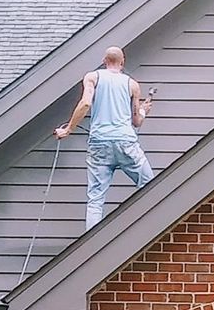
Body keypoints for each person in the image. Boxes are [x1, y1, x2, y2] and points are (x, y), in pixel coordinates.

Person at [55, 46, 156, 230]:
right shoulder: (132, 85)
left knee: (95, 199)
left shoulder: (93, 77)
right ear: (122, 62)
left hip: (99, 144)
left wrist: (68, 129)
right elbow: (136, 121)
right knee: (150, 185)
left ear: (104, 60)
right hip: (126, 143)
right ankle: (152, 229)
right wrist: (143, 110)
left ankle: (91, 245)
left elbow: (86, 103)